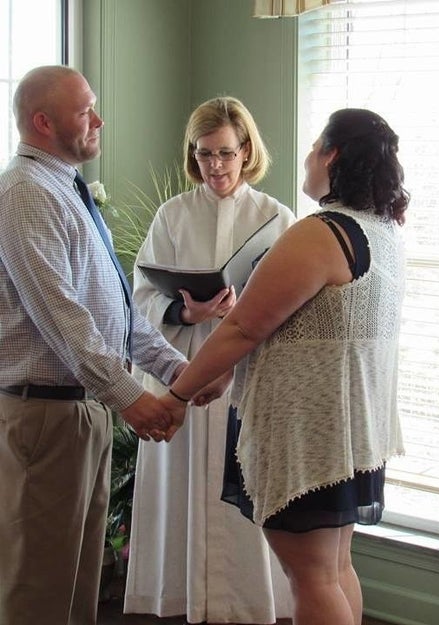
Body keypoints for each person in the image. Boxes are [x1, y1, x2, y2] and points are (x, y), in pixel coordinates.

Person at [155, 108, 409, 625]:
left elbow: (244, 327)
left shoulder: (321, 232)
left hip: (307, 434)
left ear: (332, 155)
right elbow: (298, 328)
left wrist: (176, 395)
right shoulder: (382, 230)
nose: (309, 158)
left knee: (312, 577)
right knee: (334, 569)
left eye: (315, 147)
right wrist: (226, 371)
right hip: (353, 427)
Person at [0, 65, 188, 625]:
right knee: (39, 587)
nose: (99, 120)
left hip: (80, 413)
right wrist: (131, 396)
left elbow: (114, 308)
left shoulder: (66, 189)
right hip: (43, 418)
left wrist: (173, 366)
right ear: (43, 121)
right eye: (86, 111)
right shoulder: (26, 193)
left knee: (78, 584)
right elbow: (62, 318)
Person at [124, 96, 295, 623]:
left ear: (246, 150)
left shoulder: (276, 218)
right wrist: (185, 308)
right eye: (203, 155)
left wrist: (252, 307)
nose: (215, 166)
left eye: (225, 153)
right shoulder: (173, 215)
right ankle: (183, 599)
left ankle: (246, 605)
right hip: (185, 362)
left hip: (247, 373)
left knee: (241, 486)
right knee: (184, 486)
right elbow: (140, 295)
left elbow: (299, 300)